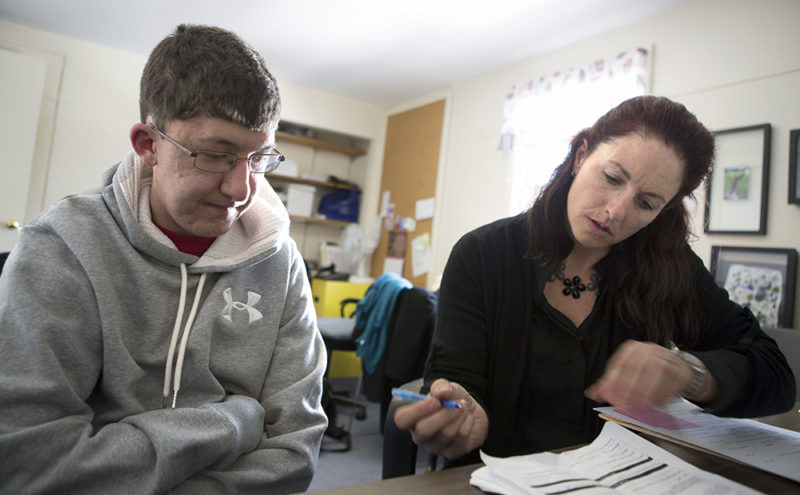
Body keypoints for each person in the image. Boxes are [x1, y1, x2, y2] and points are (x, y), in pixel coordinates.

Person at [0, 25, 327, 493]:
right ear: (148, 145)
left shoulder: (282, 262)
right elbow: (32, 461)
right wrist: (236, 421)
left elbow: (295, 454)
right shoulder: (63, 245)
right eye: (216, 155)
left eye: (258, 159)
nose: (242, 190)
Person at [394, 95, 796, 464]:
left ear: (664, 210)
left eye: (646, 203)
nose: (617, 211)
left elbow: (776, 375)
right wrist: (465, 415)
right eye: (612, 177)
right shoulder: (483, 254)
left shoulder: (671, 267)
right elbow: (457, 382)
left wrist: (688, 372)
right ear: (581, 155)